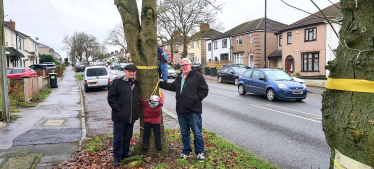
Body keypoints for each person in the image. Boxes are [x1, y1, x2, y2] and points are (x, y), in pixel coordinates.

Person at [159, 58, 209, 162]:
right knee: (185, 132)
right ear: (180, 67)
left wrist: (196, 99)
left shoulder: (197, 76)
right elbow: (173, 87)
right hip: (181, 110)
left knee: (197, 132)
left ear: (190, 65)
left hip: (193, 110)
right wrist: (160, 84)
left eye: (186, 65)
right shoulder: (180, 77)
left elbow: (204, 90)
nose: (184, 67)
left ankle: (200, 152)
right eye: (182, 65)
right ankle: (186, 151)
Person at [107, 64, 140, 167]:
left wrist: (137, 111)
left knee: (127, 137)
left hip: (131, 116)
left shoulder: (136, 83)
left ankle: (125, 154)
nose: (131, 73)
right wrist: (118, 109)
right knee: (118, 137)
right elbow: (111, 98)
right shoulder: (117, 82)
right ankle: (116, 157)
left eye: (133, 71)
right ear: (125, 71)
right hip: (119, 116)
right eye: (129, 71)